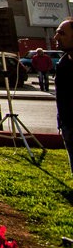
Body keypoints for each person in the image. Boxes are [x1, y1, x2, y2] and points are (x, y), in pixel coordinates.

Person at [54, 18, 73, 173]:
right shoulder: (62, 64)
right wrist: (62, 122)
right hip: (69, 126)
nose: (56, 38)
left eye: (61, 33)